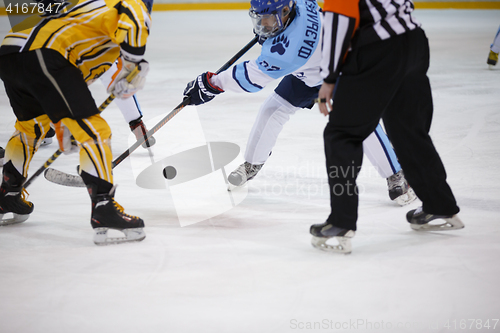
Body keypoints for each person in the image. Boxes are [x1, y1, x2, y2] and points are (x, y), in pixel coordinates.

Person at [183, 0, 416, 206]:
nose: (263, 24)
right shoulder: (297, 5)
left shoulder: (287, 50)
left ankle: (397, 174)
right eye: (260, 18)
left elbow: (251, 77)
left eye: (268, 18)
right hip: (309, 72)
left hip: (343, 67)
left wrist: (211, 84)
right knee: (271, 110)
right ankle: (252, 164)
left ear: (285, 10)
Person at [310, 0, 464, 254]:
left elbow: (339, 20)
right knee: (408, 130)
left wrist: (329, 78)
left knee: (342, 134)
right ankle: (440, 205)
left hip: (378, 51)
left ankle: (340, 222)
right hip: (413, 42)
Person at [0, 0, 153, 245]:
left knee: (32, 128)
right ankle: (104, 208)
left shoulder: (86, 16)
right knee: (95, 131)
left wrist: (63, 124)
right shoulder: (129, 4)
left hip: (10, 54)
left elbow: (68, 81)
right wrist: (134, 65)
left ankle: (8, 194)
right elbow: (132, 13)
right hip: (44, 53)